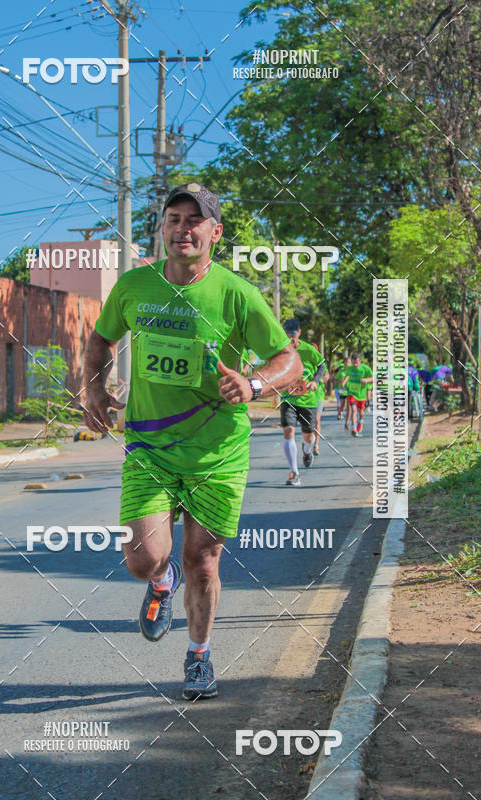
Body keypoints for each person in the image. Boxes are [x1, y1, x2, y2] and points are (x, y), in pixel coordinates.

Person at [83, 182, 302, 700]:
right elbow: (101, 339)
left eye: (195, 221)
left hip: (218, 451)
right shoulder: (134, 286)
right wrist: (93, 387)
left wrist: (253, 384)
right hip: (150, 447)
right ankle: (161, 582)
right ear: (163, 229)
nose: (183, 229)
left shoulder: (237, 293)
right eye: (174, 219)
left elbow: (287, 360)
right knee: (141, 559)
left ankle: (198, 656)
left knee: (204, 560)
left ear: (215, 232)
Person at [279, 319, 327, 485]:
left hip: (308, 401)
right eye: (288, 335)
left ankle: (307, 451)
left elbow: (322, 366)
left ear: (299, 333)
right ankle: (294, 472)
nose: (291, 338)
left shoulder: (308, 349)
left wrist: (315, 381)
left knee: (309, 437)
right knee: (288, 431)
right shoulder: (279, 350)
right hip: (288, 399)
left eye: (293, 335)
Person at [342, 352, 373, 437]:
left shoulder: (365, 368)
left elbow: (373, 378)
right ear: (351, 361)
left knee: (361, 413)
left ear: (360, 361)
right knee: (353, 410)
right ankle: (354, 428)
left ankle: (360, 421)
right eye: (353, 363)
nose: (355, 365)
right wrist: (344, 383)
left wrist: (366, 380)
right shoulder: (349, 368)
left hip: (361, 394)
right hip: (351, 393)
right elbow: (347, 375)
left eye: (356, 362)